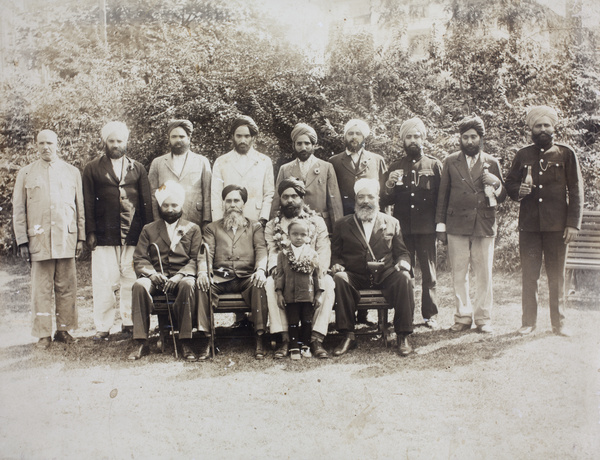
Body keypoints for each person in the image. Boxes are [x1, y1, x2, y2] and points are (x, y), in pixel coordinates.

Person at [505, 106, 583, 336]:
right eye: (538, 126)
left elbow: (577, 190)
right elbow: (509, 183)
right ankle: (528, 322)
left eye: (546, 125)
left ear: (553, 127)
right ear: (531, 129)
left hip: (557, 227)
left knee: (556, 276)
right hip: (529, 226)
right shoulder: (523, 155)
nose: (542, 130)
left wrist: (573, 224)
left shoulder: (566, 154)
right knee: (530, 276)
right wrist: (519, 189)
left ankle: (559, 324)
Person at [12, 130, 85, 348]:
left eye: (50, 143)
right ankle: (43, 333)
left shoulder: (71, 172)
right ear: (36, 145)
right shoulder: (26, 173)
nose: (46, 147)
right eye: (42, 143)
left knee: (66, 287)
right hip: (39, 239)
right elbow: (19, 209)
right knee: (41, 289)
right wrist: (23, 240)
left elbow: (80, 206)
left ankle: (63, 330)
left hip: (66, 237)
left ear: (57, 144)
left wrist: (81, 237)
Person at [435, 116, 506, 333]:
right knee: (459, 272)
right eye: (465, 137)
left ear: (481, 138)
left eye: (473, 137)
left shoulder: (492, 162)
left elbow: (502, 197)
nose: (469, 141)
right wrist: (441, 225)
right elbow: (442, 195)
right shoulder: (450, 161)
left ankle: (483, 318)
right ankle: (463, 317)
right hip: (456, 224)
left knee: (483, 272)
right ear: (460, 139)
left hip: (483, 225)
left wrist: (496, 183)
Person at [82, 121, 153, 340]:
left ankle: (130, 322)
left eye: (119, 141)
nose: (115, 145)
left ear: (126, 142)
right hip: (104, 234)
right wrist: (91, 232)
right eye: (111, 141)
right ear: (105, 142)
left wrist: (148, 233)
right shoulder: (92, 168)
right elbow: (87, 203)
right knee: (104, 281)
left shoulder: (137, 168)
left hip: (133, 234)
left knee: (130, 278)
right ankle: (103, 326)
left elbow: (145, 203)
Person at [331, 179, 415, 356]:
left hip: (385, 274)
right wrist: (336, 264)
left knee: (404, 278)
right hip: (356, 275)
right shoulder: (342, 224)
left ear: (377, 199)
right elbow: (336, 254)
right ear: (355, 200)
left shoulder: (392, 222)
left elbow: (402, 252)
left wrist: (403, 262)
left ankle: (402, 335)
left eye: (370, 196)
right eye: (361, 197)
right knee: (340, 278)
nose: (365, 201)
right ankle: (348, 335)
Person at [128, 181, 205, 360]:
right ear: (160, 206)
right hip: (156, 277)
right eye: (166, 205)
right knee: (139, 285)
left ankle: (185, 340)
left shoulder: (193, 229)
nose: (170, 209)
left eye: (174, 205)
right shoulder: (149, 229)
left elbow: (196, 258)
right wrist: (152, 274)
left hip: (181, 277)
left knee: (188, 284)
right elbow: (139, 258)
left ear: (181, 206)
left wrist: (179, 276)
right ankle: (141, 342)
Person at [382, 117, 442, 329]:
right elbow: (384, 199)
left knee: (429, 273)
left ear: (423, 138)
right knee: (403, 271)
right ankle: (404, 313)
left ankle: (430, 315)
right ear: (403, 140)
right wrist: (389, 183)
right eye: (409, 136)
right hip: (403, 230)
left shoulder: (434, 165)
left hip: (426, 229)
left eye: (417, 136)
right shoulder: (395, 166)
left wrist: (440, 226)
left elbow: (441, 200)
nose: (413, 140)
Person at [197, 185, 269, 359]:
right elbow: (206, 253)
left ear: (243, 203)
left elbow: (261, 249)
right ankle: (207, 339)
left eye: (237, 200)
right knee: (202, 287)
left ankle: (259, 338)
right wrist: (203, 273)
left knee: (259, 285)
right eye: (228, 201)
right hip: (221, 277)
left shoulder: (255, 227)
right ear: (223, 203)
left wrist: (260, 269)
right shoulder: (212, 228)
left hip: (246, 277)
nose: (232, 204)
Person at [265, 178, 334, 359]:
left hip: (311, 272)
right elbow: (272, 251)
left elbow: (323, 248)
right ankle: (285, 337)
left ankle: (316, 338)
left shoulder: (316, 222)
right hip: (284, 273)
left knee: (327, 282)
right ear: (280, 199)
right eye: (285, 196)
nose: (290, 200)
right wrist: (275, 269)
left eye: (294, 196)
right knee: (270, 283)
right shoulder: (273, 225)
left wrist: (320, 269)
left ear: (302, 198)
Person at [271, 123, 343, 232]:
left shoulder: (326, 167)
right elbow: (277, 201)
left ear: (313, 145)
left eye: (307, 143)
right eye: (299, 144)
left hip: (320, 226)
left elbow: (334, 204)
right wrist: (274, 228)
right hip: (292, 227)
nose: (303, 147)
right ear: (293, 145)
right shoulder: (285, 169)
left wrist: (338, 232)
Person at [211, 115, 274, 227]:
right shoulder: (221, 161)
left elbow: (269, 194)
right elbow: (216, 195)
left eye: (247, 136)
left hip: (255, 218)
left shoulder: (264, 161)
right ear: (232, 137)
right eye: (239, 136)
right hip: (228, 219)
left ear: (253, 138)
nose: (243, 140)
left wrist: (263, 218)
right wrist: (217, 222)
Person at [148, 119, 212, 227]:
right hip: (166, 220)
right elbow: (153, 195)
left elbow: (207, 194)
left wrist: (206, 222)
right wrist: (156, 221)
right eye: (174, 137)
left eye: (182, 137)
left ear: (189, 138)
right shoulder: (157, 163)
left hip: (194, 219)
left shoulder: (202, 162)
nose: (178, 140)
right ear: (169, 139)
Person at [275, 219, 323, 360]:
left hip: (307, 295)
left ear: (308, 236)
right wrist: (279, 293)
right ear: (288, 235)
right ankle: (294, 346)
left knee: (307, 321)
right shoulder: (283, 254)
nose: (299, 237)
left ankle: (306, 346)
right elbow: (280, 275)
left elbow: (317, 275)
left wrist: (318, 294)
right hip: (290, 295)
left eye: (303, 234)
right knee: (293, 321)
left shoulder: (312, 254)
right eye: (295, 234)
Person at [329, 119, 387, 216]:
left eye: (358, 134)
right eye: (350, 133)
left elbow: (384, 194)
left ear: (364, 137)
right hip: (345, 217)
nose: (354, 137)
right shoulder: (334, 161)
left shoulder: (377, 160)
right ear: (345, 136)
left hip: (372, 216)